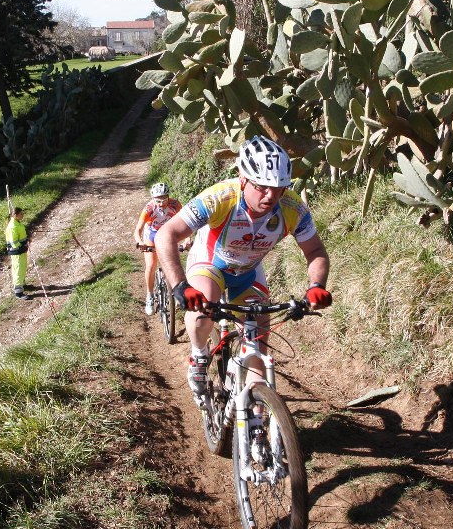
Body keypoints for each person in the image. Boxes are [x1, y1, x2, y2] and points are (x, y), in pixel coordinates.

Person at [155, 136, 332, 403]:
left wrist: (316, 286)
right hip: (211, 264)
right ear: (243, 177)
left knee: (257, 353)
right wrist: (180, 285)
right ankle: (199, 354)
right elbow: (165, 235)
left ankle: (257, 419)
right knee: (203, 310)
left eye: (279, 187)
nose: (271, 196)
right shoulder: (220, 198)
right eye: (261, 186)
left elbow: (315, 252)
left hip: (248, 272)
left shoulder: (293, 207)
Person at [133, 182, 183, 315]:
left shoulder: (175, 205)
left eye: (164, 200)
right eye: (158, 201)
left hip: (168, 234)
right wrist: (139, 242)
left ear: (168, 197)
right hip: (152, 234)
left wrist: (188, 239)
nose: (161, 203)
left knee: (173, 264)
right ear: (153, 199)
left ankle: (177, 290)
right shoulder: (149, 208)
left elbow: (186, 221)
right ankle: (149, 296)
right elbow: (138, 229)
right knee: (151, 265)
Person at [6, 206, 32, 300]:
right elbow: (14, 243)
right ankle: (19, 292)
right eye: (21, 214)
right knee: (18, 271)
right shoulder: (12, 226)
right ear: (16, 215)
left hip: (22, 251)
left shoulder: (17, 223)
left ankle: (23, 285)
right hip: (17, 252)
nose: (23, 215)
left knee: (23, 268)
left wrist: (26, 241)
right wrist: (23, 246)